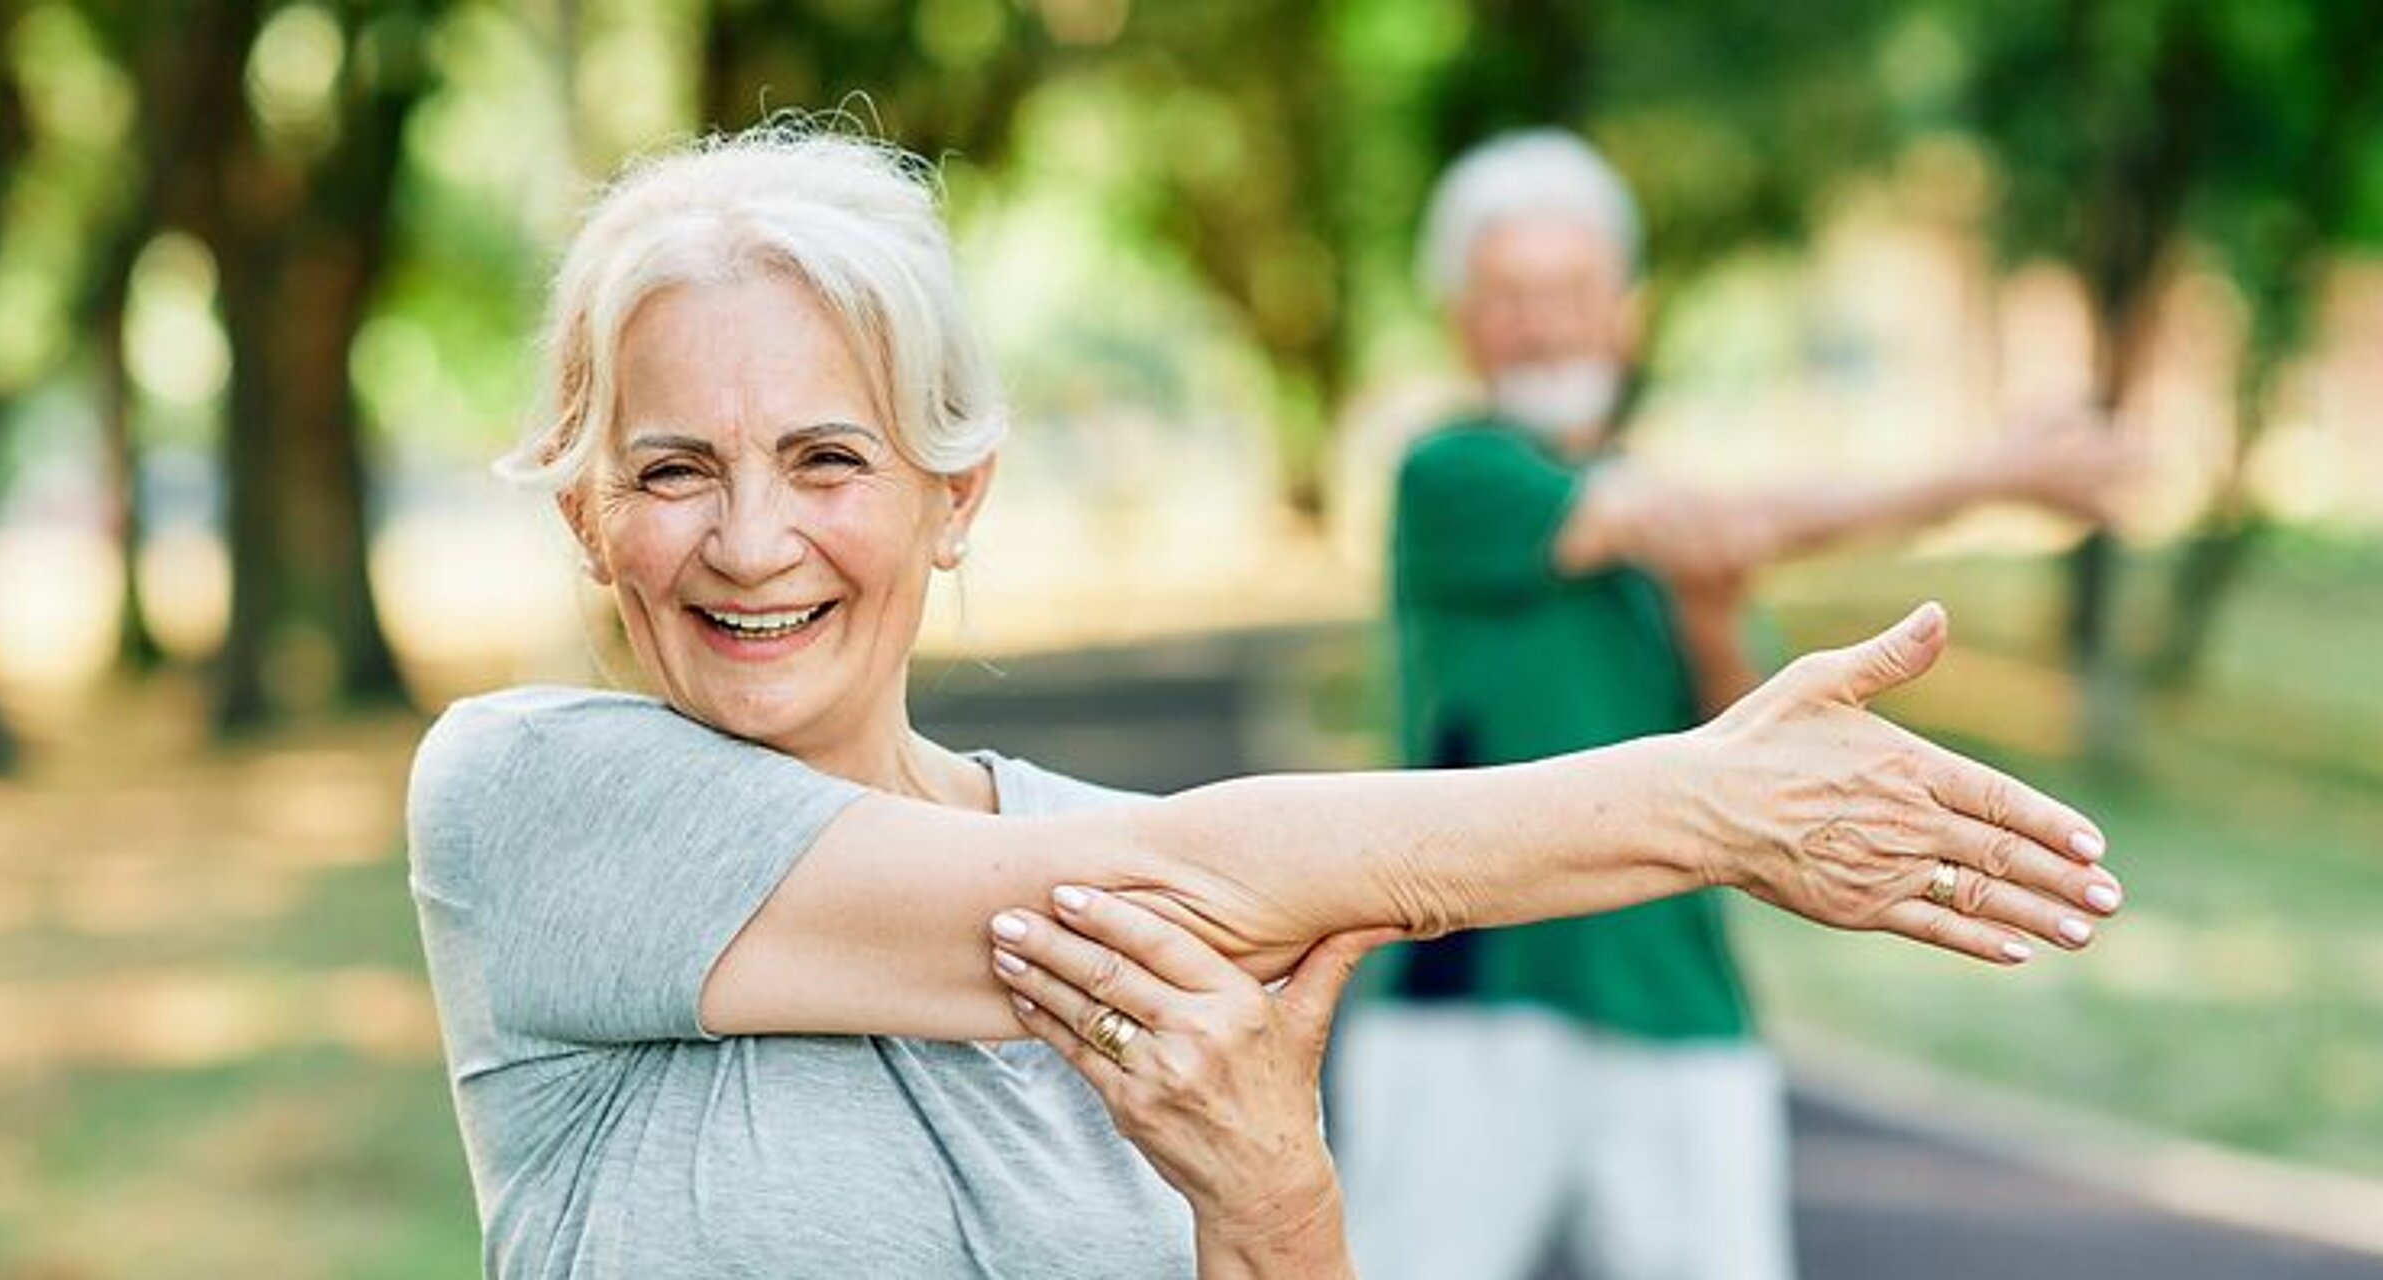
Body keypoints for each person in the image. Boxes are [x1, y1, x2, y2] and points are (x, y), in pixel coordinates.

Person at [406, 123, 2125, 1279]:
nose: (750, 538)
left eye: (827, 457)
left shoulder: (1115, 864)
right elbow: (1191, 878)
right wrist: (1706, 806)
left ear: (958, 494)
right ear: (588, 515)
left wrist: (1281, 1206)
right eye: (674, 469)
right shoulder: (529, 799)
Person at [1337, 128, 2136, 1280]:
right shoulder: (1453, 473)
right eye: (1509, 296)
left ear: (1627, 309)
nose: (1545, 322)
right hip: (1471, 995)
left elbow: (1735, 722)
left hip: (1676, 996)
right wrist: (1983, 477)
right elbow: (1699, 524)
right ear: (1461, 319)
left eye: (1570, 290)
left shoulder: (1676, 507)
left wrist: (1712, 602)